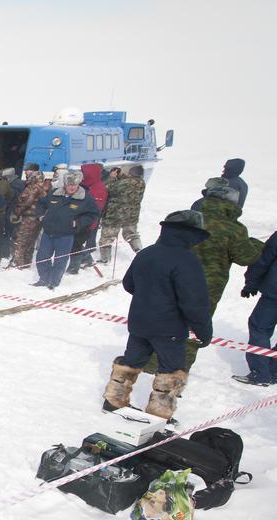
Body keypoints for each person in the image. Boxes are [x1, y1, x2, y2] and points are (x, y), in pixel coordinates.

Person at [102, 211, 212, 420]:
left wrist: (150, 295)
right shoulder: (187, 260)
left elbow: (128, 284)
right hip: (168, 327)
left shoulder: (147, 253)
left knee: (131, 361)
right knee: (171, 370)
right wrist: (204, 331)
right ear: (191, 234)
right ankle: (159, 415)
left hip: (139, 322)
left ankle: (114, 400)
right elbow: (194, 303)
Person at [176, 177, 264, 371]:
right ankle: (176, 374)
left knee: (167, 320)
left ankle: (150, 363)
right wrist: (257, 245)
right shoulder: (233, 229)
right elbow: (246, 257)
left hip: (174, 279)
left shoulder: (189, 219)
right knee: (193, 330)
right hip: (206, 288)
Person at [33, 172, 98, 290]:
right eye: (70, 185)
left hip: (66, 235)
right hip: (48, 232)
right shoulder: (54, 193)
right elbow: (41, 204)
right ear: (65, 184)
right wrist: (41, 215)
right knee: (42, 257)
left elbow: (93, 214)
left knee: (60, 260)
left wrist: (78, 222)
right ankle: (44, 278)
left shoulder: (85, 197)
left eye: (75, 184)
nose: (72, 187)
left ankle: (53, 281)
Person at [235, 230, 277, 386]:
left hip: (274, 295)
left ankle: (260, 373)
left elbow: (264, 259)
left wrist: (251, 283)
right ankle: (274, 371)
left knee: (260, 328)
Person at [98, 165, 145, 262]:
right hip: (132, 215)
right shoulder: (141, 182)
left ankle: (105, 259)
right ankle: (139, 251)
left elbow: (106, 187)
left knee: (107, 237)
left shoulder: (124, 183)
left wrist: (111, 177)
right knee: (131, 234)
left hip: (115, 215)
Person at [9, 163, 52, 268]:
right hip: (38, 217)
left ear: (33, 171)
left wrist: (16, 213)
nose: (25, 172)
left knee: (21, 240)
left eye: (27, 170)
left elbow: (26, 201)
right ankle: (26, 263)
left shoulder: (34, 185)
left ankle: (17, 264)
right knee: (31, 241)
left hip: (29, 217)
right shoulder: (44, 184)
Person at [68, 162, 107, 273]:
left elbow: (95, 209)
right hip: (79, 220)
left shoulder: (98, 189)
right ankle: (86, 259)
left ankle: (74, 267)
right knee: (76, 242)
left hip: (87, 222)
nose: (82, 176)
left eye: (84, 173)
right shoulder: (88, 185)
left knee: (76, 244)